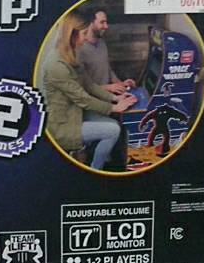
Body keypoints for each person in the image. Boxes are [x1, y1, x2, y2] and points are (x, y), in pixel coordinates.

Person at [43, 11, 135, 170]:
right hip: (63, 125)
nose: (86, 38)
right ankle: (94, 170)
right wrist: (113, 108)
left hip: (76, 113)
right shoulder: (56, 64)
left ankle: (93, 161)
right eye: (84, 33)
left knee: (114, 125)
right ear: (71, 34)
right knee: (113, 130)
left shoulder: (73, 53)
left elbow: (89, 85)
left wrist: (116, 99)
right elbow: (83, 98)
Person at [77, 8, 135, 95]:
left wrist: (121, 84)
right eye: (102, 22)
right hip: (93, 99)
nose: (106, 26)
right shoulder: (79, 49)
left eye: (106, 22)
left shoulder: (102, 43)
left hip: (107, 96)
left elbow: (108, 70)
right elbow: (81, 87)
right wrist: (109, 87)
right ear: (91, 23)